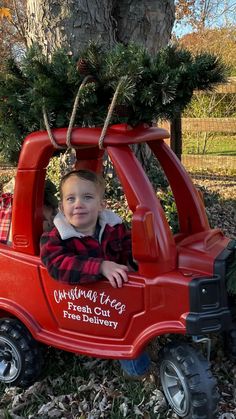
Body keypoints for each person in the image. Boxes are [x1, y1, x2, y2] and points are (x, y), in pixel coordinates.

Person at [40, 169, 150, 378]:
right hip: (81, 308)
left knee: (133, 323)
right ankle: (138, 369)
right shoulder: (55, 237)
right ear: (62, 207)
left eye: (87, 197)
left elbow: (129, 249)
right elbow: (57, 264)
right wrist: (100, 266)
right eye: (70, 199)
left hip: (114, 304)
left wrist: (137, 260)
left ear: (101, 205)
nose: (78, 204)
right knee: (127, 342)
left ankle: (140, 363)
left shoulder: (113, 227)